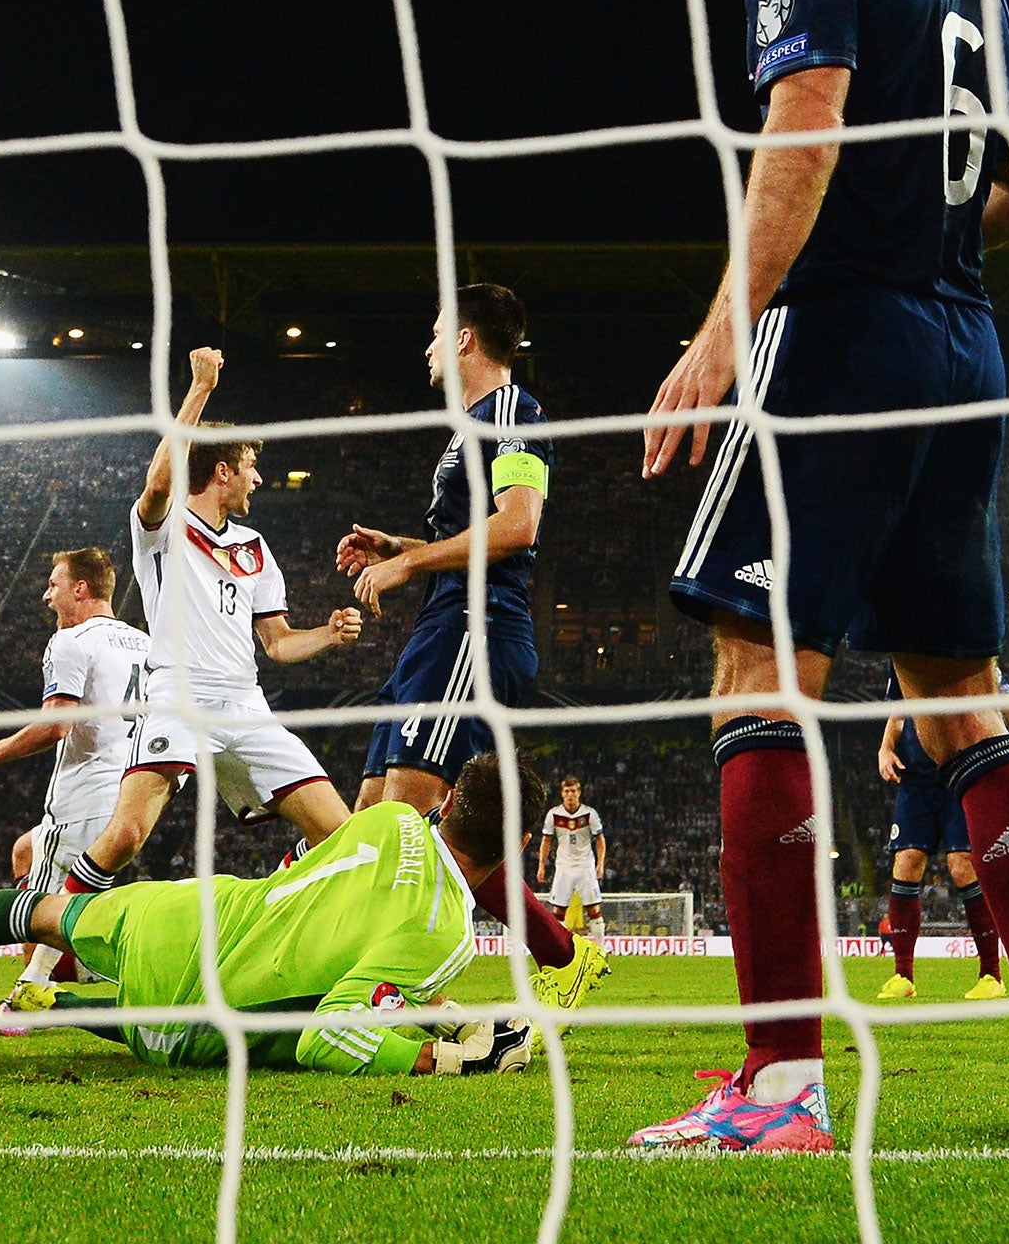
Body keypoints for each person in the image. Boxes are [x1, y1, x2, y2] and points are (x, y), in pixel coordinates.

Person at [636, 0, 1009, 1148]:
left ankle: (780, 1082)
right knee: (962, 699)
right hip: (966, 351)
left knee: (757, 674)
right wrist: (928, 233)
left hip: (840, 339)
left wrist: (730, 320)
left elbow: (806, 120)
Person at [0, 751, 539, 1076]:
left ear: (445, 804)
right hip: (198, 1012)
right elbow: (330, 1035)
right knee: (147, 1016)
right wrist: (452, 1056)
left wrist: (443, 1010)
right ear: (521, 845)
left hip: (189, 910)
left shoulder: (390, 817)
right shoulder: (445, 935)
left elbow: (332, 892)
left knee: (44, 913)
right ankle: (56, 1003)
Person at [59, 349, 360, 905]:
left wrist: (327, 633)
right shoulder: (163, 527)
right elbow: (156, 484)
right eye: (250, 467)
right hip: (178, 693)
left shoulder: (255, 546)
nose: (259, 478)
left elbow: (276, 643)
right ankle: (35, 968)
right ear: (222, 472)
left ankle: (271, 903)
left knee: (340, 833)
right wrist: (200, 389)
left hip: (245, 702)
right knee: (124, 836)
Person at [339, 285, 551, 814]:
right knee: (369, 811)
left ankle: (508, 902)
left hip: (475, 626)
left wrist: (411, 562)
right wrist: (398, 547)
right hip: (439, 629)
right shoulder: (474, 424)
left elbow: (519, 525)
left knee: (405, 817)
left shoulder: (511, 413)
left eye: (435, 335)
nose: (428, 347)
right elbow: (474, 534)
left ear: (463, 340)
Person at [0, 546, 149, 1020]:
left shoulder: (70, 640)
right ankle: (72, 973)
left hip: (86, 794)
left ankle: (26, 996)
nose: (47, 596)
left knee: (36, 905)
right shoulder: (145, 643)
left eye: (54, 585)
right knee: (28, 853)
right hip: (133, 791)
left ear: (80, 589)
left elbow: (55, 726)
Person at [876, 671, 1009, 1002]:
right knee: (906, 862)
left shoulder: (969, 651)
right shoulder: (903, 654)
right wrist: (885, 748)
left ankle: (991, 974)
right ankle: (902, 975)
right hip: (916, 781)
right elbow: (898, 709)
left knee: (963, 865)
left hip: (957, 772)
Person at [538, 777, 606, 946]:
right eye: (567, 791)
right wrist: (542, 866)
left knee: (594, 909)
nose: (570, 795)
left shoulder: (589, 814)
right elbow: (546, 841)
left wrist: (600, 863)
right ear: (562, 794)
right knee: (558, 911)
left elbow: (600, 840)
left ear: (579, 793)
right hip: (564, 866)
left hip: (585, 866)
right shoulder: (553, 814)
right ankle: (561, 950)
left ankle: (601, 950)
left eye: (573, 791)